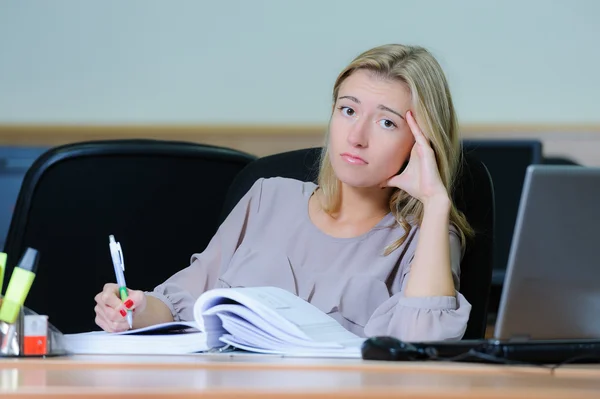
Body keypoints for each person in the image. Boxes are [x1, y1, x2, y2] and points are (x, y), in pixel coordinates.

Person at [94, 43, 474, 342]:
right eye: (348, 111)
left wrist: (436, 202)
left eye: (387, 122)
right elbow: (181, 304)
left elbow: (424, 345)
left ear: (421, 141)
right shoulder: (267, 198)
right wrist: (134, 309)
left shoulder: (429, 238)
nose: (357, 137)